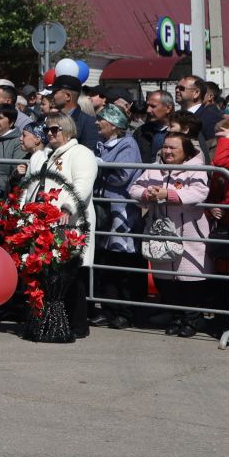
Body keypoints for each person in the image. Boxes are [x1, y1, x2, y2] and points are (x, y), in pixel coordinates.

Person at [19, 112, 98, 341]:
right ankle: (52, 321)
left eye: (55, 129)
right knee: (50, 275)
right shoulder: (48, 156)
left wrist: (67, 207)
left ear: (68, 130)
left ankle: (77, 324)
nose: (50, 134)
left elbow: (83, 184)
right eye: (48, 130)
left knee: (72, 275)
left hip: (71, 223)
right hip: (45, 225)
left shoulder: (81, 153)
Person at [130, 133, 211, 338]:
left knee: (191, 277)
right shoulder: (154, 168)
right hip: (160, 233)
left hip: (189, 230)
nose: (167, 151)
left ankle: (192, 319)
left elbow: (199, 193)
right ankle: (175, 317)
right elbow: (134, 189)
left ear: (185, 151)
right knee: (164, 278)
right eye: (165, 147)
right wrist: (148, 194)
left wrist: (170, 195)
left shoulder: (196, 168)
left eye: (173, 148)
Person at [91, 105, 143, 328]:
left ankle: (125, 311)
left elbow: (123, 175)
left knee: (122, 260)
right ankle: (108, 308)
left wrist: (101, 167)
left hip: (121, 211)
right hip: (101, 207)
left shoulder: (128, 144)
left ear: (113, 124)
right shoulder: (100, 145)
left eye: (101, 120)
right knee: (104, 260)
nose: (96, 123)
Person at [46, 76, 101, 152]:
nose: (52, 96)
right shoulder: (52, 120)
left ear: (68, 96)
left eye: (55, 92)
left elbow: (90, 153)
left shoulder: (89, 123)